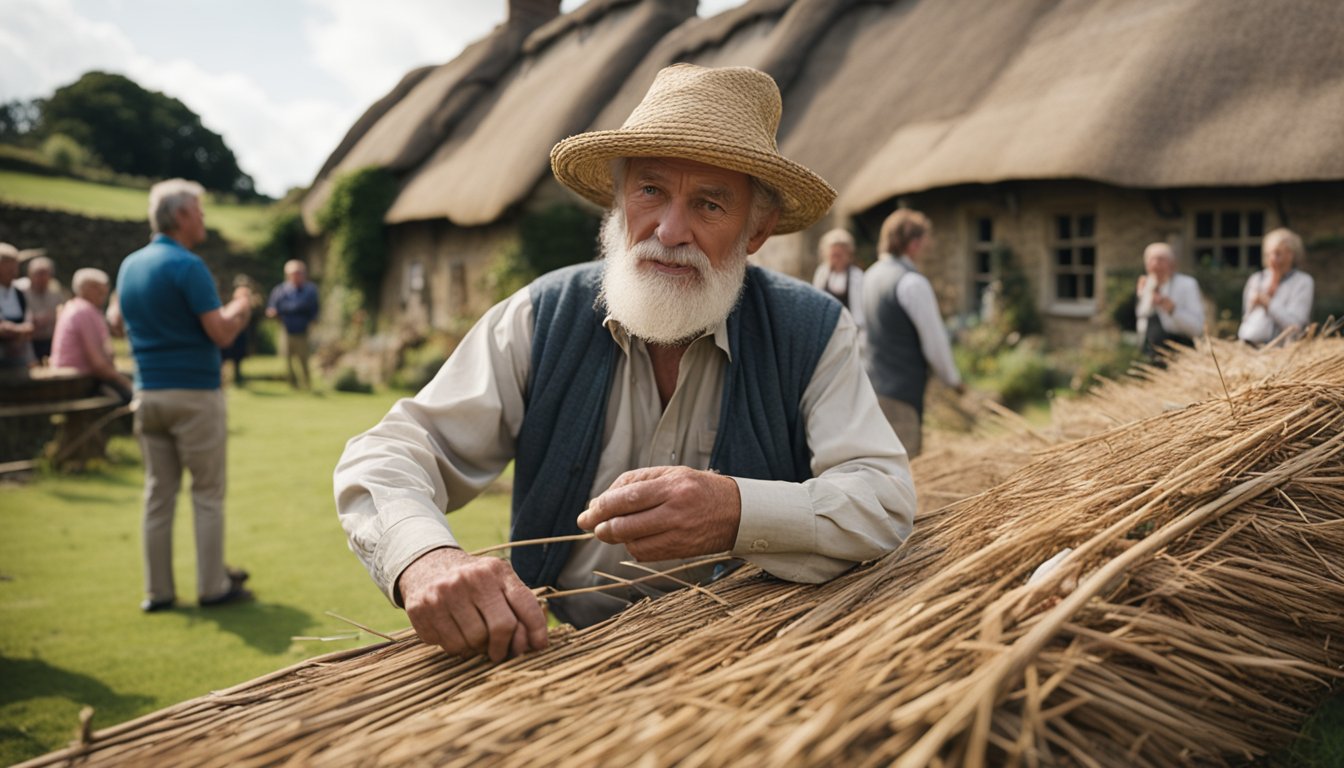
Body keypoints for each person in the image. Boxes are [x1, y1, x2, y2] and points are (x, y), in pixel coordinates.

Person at [335, 64, 916, 663]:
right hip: (560, 657)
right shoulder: (542, 315)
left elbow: (885, 500)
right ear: (617, 199)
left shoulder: (811, 329)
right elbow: (390, 453)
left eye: (710, 205)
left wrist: (736, 510)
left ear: (757, 229)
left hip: (748, 655)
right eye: (650, 191)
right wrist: (426, 558)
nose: (669, 230)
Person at [117, 178, 254, 612]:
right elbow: (220, 332)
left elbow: (116, 323)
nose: (204, 218)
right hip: (194, 394)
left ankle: (158, 592)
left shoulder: (129, 266)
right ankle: (213, 586)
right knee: (207, 493)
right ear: (180, 216)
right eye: (199, 210)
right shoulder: (188, 266)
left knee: (158, 496)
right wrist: (241, 307)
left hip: (148, 394)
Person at [860, 209, 965, 459]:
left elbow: (864, 334)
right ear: (914, 244)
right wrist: (953, 380)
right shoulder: (912, 283)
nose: (927, 249)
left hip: (871, 388)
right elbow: (935, 341)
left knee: (875, 467)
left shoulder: (870, 275)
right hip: (901, 395)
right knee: (903, 470)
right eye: (925, 242)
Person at [49, 268, 134, 402]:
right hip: (79, 380)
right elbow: (99, 365)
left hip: (77, 376)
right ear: (88, 288)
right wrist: (127, 383)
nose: (104, 294)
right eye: (100, 290)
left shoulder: (75, 306)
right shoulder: (84, 311)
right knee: (130, 397)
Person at [1237, 227, 1314, 346]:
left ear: (1291, 254)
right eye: (1269, 254)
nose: (1272, 259)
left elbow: (1295, 326)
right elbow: (1246, 318)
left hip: (1282, 351)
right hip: (1249, 346)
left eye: (1278, 254)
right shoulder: (1256, 279)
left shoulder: (1302, 282)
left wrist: (1269, 304)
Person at [1135, 242, 1204, 360]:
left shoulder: (1187, 285)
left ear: (1173, 265)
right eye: (1151, 260)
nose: (1156, 265)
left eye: (1161, 260)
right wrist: (1140, 297)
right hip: (1150, 354)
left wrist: (1173, 310)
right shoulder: (1146, 286)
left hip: (1180, 355)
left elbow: (1197, 328)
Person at [266, 259, 319, 389]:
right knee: (287, 359)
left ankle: (307, 384)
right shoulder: (280, 290)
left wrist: (312, 321)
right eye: (293, 273)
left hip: (302, 329)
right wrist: (273, 313)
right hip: (286, 328)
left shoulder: (310, 290)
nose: (296, 276)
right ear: (287, 275)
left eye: (299, 273)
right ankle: (292, 385)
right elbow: (272, 307)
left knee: (304, 359)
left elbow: (315, 309)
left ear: (304, 274)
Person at [811, 228, 866, 342]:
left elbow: (859, 313)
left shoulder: (857, 276)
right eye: (833, 254)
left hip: (850, 332)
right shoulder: (822, 273)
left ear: (848, 254)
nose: (836, 258)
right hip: (825, 331)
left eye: (839, 255)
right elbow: (815, 305)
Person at [14, 254, 66, 363]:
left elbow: (62, 311)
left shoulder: (56, 290)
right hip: (27, 342)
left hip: (49, 340)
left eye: (44, 274)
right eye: (38, 274)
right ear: (30, 274)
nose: (41, 278)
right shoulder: (19, 289)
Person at [0, 243, 35, 376]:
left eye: (14, 264)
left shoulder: (19, 292)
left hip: (18, 354)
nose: (13, 268)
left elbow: (27, 319)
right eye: (7, 264)